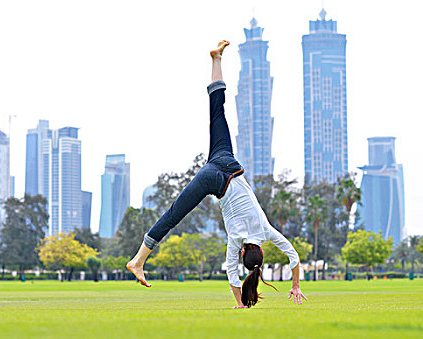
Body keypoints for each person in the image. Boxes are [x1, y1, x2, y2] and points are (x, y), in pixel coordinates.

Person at [127, 40, 307, 308]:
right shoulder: (236, 239)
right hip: (212, 178)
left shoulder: (267, 232)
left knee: (217, 110)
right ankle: (138, 260)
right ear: (245, 251)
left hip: (228, 162)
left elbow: (294, 258)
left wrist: (296, 284)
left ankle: (217, 60)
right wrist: (242, 304)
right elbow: (231, 274)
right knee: (174, 214)